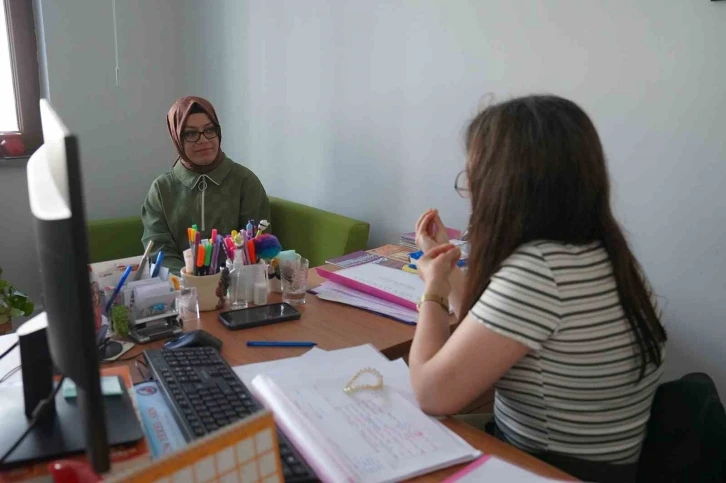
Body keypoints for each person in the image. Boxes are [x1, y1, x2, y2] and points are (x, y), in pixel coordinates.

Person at [408, 95, 667, 483]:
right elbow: (488, 324)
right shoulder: (598, 250)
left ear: (507, 186)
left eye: (473, 177)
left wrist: (433, 290)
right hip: (596, 462)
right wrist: (445, 264)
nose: (471, 191)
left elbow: (431, 394)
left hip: (546, 468)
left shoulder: (540, 272)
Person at [141, 96, 270, 273]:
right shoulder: (161, 189)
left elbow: (257, 245)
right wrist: (190, 280)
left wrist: (223, 281)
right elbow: (158, 250)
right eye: (191, 133)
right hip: (180, 284)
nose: (203, 140)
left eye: (209, 130)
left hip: (236, 283)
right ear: (177, 138)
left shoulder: (245, 181)